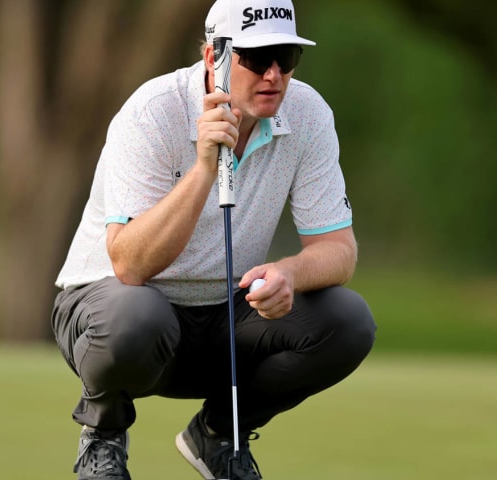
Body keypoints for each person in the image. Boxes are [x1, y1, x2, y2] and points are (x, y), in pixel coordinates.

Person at [51, 0, 376, 478]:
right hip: (117, 314)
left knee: (348, 321)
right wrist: (204, 168)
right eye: (256, 59)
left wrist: (288, 274)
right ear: (213, 57)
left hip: (226, 316)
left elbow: (339, 250)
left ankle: (219, 434)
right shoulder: (154, 111)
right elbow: (129, 265)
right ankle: (103, 434)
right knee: (137, 316)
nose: (274, 75)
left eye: (286, 58)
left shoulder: (307, 114)